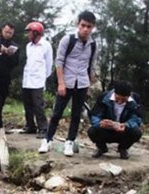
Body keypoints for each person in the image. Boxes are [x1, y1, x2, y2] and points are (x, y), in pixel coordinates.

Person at [39, 11, 97, 156]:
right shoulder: (68, 40)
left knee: (76, 115)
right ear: (78, 24)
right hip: (67, 81)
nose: (85, 29)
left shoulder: (93, 45)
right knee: (57, 113)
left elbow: (92, 65)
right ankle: (47, 140)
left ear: (92, 27)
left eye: (88, 26)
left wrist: (88, 84)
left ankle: (69, 142)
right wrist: (61, 83)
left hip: (82, 83)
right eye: (83, 25)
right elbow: (59, 62)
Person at [88, 81, 142, 160]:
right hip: (106, 130)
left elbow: (137, 118)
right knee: (92, 131)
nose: (120, 102)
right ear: (114, 93)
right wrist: (100, 123)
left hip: (123, 131)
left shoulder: (136, 100)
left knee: (137, 132)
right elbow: (95, 115)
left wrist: (126, 124)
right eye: (117, 98)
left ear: (129, 96)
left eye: (123, 100)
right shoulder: (104, 97)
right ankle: (101, 148)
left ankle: (123, 148)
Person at [20, 21, 53, 139]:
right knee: (27, 105)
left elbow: (49, 64)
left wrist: (43, 78)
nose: (28, 35)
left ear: (36, 33)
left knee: (38, 106)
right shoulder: (28, 46)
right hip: (27, 80)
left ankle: (43, 128)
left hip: (38, 81)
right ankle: (30, 126)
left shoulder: (46, 45)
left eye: (29, 32)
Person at [0, 22, 20, 132]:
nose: (8, 34)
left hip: (6, 76)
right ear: (2, 30)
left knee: (1, 101)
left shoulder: (15, 46)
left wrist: (8, 54)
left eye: (10, 33)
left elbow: (15, 63)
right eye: (6, 32)